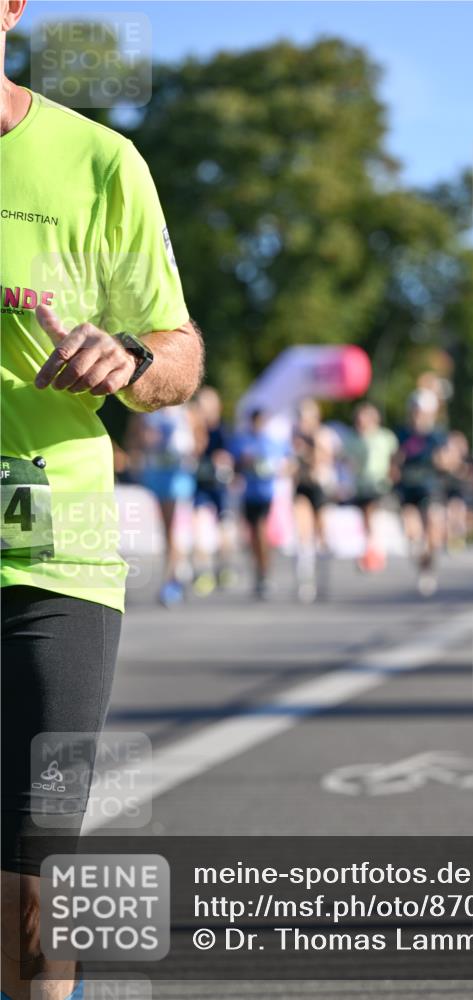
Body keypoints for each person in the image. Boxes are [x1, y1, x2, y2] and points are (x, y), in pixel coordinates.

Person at [0, 4, 204, 997]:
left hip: (52, 556)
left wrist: (126, 357)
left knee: (32, 874)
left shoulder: (98, 162)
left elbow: (179, 354)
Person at [126, 403, 199, 606]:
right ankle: (177, 573)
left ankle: (172, 580)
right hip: (155, 477)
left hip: (179, 478)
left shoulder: (186, 413)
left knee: (172, 529)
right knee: (163, 530)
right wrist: (142, 444)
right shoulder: (146, 413)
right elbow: (134, 440)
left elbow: (200, 442)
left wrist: (188, 450)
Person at [393, 388, 447, 596]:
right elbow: (394, 460)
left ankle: (428, 567)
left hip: (430, 487)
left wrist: (441, 460)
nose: (418, 415)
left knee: (433, 530)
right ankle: (421, 562)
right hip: (407, 488)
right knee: (413, 532)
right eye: (415, 411)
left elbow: (446, 461)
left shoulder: (436, 435)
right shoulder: (402, 433)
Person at [232, 409, 290, 598]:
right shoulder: (243, 441)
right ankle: (259, 570)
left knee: (261, 530)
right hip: (249, 494)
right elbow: (235, 465)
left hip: (266, 494)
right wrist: (244, 464)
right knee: (253, 536)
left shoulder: (272, 442)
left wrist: (279, 469)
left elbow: (287, 462)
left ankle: (265, 571)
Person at [291, 398, 338, 602]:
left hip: (319, 487)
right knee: (303, 533)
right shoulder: (294, 436)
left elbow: (324, 459)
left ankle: (323, 577)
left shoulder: (323, 435)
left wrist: (310, 448)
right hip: (302, 486)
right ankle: (305, 581)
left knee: (322, 533)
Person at [344, 402, 398, 573]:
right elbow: (346, 463)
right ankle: (370, 552)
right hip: (360, 485)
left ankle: (375, 553)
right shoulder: (352, 439)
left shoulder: (385, 437)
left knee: (374, 514)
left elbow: (394, 459)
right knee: (366, 519)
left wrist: (392, 475)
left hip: (380, 484)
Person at [191, 386, 235, 596]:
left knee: (224, 528)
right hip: (199, 484)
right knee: (199, 525)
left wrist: (223, 461)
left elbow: (229, 456)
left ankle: (224, 566)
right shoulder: (193, 428)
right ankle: (203, 572)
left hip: (219, 485)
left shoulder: (222, 430)